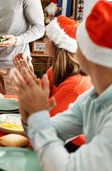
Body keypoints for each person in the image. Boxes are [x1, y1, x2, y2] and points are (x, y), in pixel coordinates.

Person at [12, 0, 112, 170]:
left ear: (89, 54)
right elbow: (48, 132)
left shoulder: (79, 87)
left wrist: (37, 114)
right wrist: (29, 115)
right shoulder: (90, 99)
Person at [14, 15, 93, 152]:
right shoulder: (55, 70)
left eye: (48, 37)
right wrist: (26, 75)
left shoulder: (74, 86)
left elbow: (45, 121)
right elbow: (39, 98)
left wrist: (26, 82)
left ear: (58, 45)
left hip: (71, 148)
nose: (44, 40)